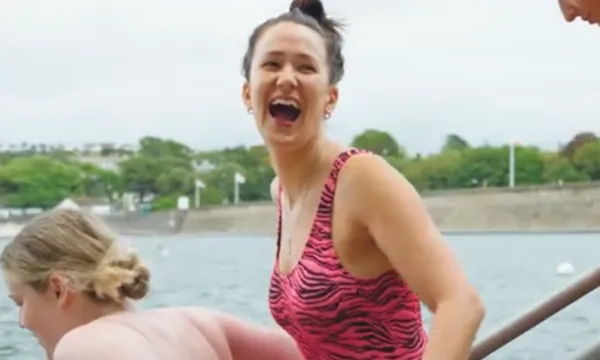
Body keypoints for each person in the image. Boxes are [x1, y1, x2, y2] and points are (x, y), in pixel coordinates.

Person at [241, 0, 485, 359]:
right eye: (272, 63)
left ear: (330, 98)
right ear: (248, 93)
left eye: (306, 67)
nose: (287, 78)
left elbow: (461, 304)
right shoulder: (281, 192)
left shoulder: (360, 180)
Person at [1, 209, 303, 360]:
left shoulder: (83, 345)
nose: (22, 322)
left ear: (58, 289)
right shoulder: (195, 322)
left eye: (21, 302)